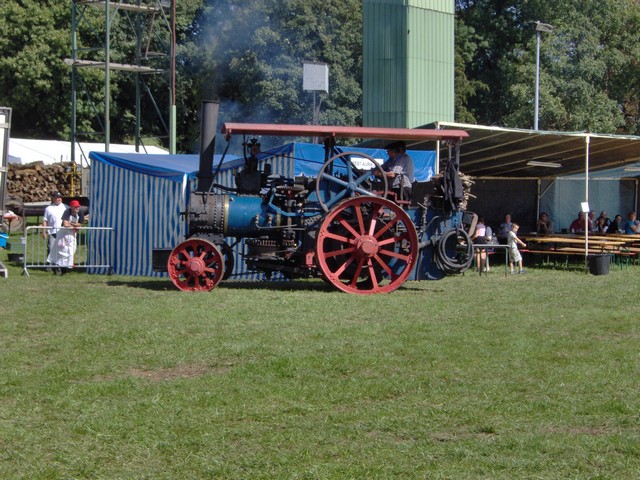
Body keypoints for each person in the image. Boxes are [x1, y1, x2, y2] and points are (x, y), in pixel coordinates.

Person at [53, 199, 86, 274]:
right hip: (63, 235)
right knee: (62, 251)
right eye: (75, 207)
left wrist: (71, 223)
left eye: (78, 206)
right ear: (71, 207)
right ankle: (58, 267)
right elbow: (65, 224)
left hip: (72, 235)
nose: (77, 208)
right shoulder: (67, 212)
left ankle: (66, 267)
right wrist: (75, 224)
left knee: (71, 251)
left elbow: (80, 224)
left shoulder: (80, 212)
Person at [41, 191, 67, 266]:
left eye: (59, 197)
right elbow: (45, 220)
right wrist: (44, 232)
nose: (58, 199)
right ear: (53, 198)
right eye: (56, 197)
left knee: (62, 249)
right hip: (52, 232)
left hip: (63, 232)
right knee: (51, 249)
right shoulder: (48, 208)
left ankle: (61, 264)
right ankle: (50, 265)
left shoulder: (66, 207)